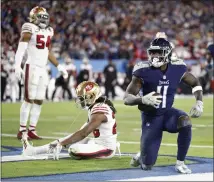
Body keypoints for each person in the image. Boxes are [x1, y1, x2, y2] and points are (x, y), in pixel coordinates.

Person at [123, 37, 203, 174]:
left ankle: (180, 163)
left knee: (185, 121)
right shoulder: (143, 71)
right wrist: (141, 100)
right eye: (152, 52)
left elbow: (195, 83)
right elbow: (127, 98)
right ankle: (142, 154)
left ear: (167, 53)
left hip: (167, 114)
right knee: (147, 165)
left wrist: (199, 102)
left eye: (157, 52)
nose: (154, 56)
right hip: (151, 117)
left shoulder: (177, 68)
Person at [21, 81, 119, 160]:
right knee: (68, 139)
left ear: (91, 96)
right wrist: (64, 141)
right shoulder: (95, 107)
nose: (80, 100)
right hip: (97, 143)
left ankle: (38, 150)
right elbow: (82, 131)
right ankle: (33, 151)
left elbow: (84, 133)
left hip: (106, 149)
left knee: (73, 149)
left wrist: (62, 144)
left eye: (82, 98)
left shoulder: (100, 110)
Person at [15, 6, 68, 140]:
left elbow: (47, 51)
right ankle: (22, 130)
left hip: (43, 68)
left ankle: (32, 129)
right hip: (31, 66)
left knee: (39, 100)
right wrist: (17, 66)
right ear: (34, 17)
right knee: (28, 99)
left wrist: (59, 66)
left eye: (45, 17)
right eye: (41, 17)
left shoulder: (49, 30)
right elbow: (21, 49)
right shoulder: (29, 27)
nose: (44, 20)